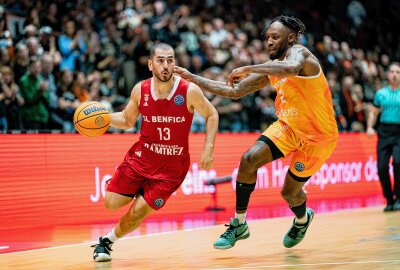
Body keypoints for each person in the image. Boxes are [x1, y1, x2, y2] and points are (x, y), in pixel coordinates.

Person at [175, 15, 338, 249]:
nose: (269, 42)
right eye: (268, 38)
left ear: (290, 38)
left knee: (290, 193)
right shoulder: (270, 68)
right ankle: (239, 224)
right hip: (288, 128)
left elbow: (290, 68)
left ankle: (302, 220)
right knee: (249, 159)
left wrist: (248, 67)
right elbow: (233, 91)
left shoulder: (300, 54)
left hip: (318, 138)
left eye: (275, 37)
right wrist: (192, 78)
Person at [91, 43, 218, 262]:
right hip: (141, 159)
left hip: (171, 170)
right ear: (151, 64)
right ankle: (120, 185)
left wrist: (208, 148)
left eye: (170, 60)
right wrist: (104, 117)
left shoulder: (188, 91)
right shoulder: (141, 89)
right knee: (111, 202)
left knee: (138, 212)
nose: (166, 65)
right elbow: (128, 119)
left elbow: (212, 114)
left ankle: (106, 242)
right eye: (161, 60)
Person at [366, 62, 400, 212]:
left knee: (398, 163)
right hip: (385, 132)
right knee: (381, 167)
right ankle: (389, 199)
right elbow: (373, 112)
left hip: (399, 132)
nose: (394, 74)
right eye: (392, 71)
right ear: (388, 75)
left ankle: (398, 197)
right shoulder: (381, 94)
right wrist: (369, 127)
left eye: (397, 72)